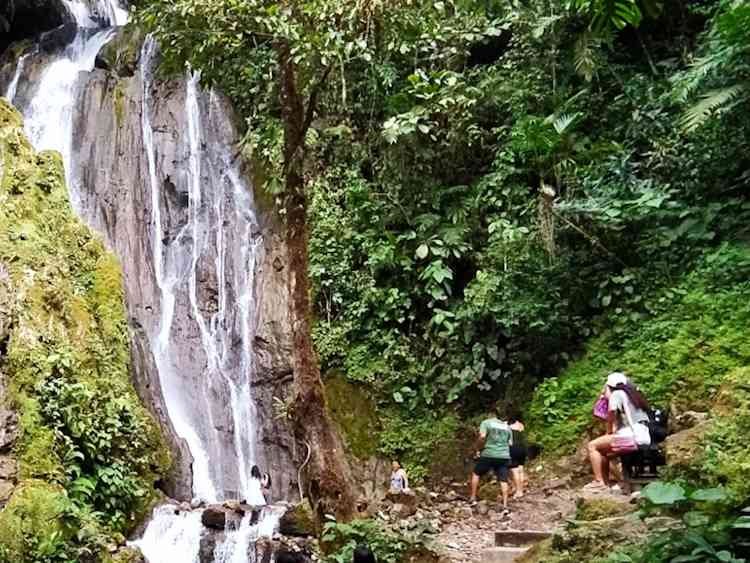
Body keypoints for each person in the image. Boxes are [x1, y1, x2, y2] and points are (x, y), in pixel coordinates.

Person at [585, 372, 651, 492]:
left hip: (631, 436)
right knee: (603, 452)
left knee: (592, 446)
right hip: (643, 435)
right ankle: (606, 483)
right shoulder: (633, 395)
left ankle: (599, 482)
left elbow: (611, 415)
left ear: (609, 386)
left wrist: (608, 431)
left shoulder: (616, 394)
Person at [469, 404, 513, 511]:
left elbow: (482, 436)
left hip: (489, 454)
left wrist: (477, 448)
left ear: (490, 414)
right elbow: (510, 443)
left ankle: (473, 497)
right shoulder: (506, 426)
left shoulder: (486, 423)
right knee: (503, 479)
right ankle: (505, 505)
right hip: (504, 456)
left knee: (476, 473)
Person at [509, 414, 527, 499]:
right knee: (521, 469)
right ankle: (521, 489)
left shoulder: (509, 427)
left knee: (515, 470)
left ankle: (518, 491)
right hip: (523, 448)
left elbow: (509, 441)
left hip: (514, 448)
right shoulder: (522, 426)